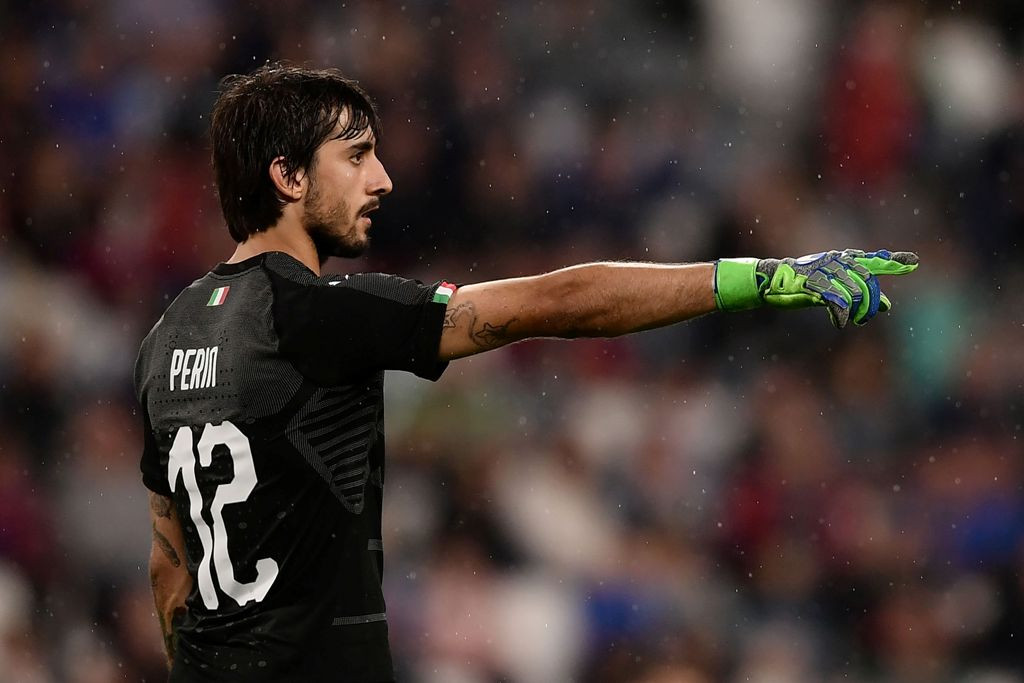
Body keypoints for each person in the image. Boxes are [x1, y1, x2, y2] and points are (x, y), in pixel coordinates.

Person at [135, 63, 918, 682]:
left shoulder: (167, 338)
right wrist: (760, 278)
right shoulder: (319, 314)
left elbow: (169, 567)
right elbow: (560, 300)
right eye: (357, 156)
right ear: (288, 177)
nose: (382, 180)